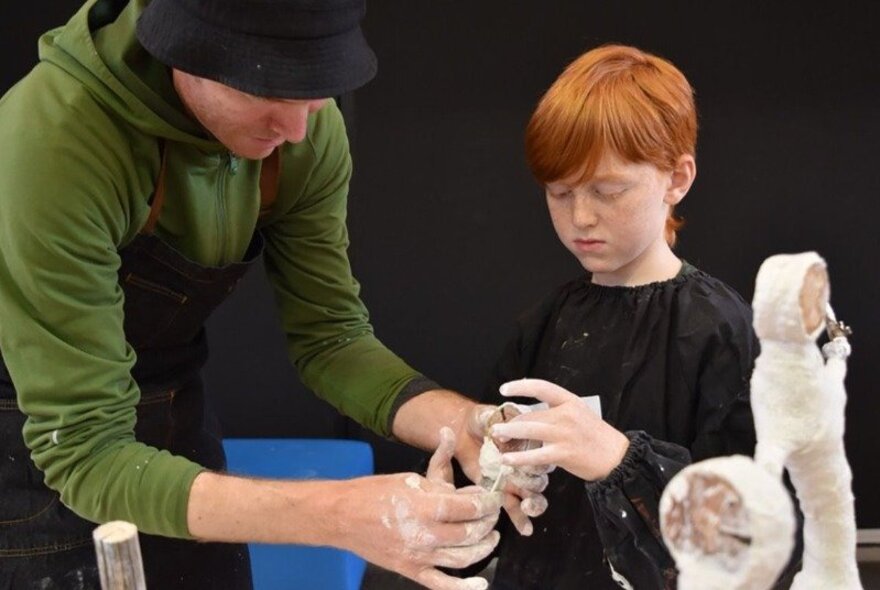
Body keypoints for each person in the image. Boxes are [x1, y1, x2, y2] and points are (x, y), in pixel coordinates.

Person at [0, 1, 546, 588]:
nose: (299, 129)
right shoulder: (53, 141)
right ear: (185, 52)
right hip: (36, 435)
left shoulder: (307, 131)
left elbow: (331, 339)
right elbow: (86, 452)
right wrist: (340, 516)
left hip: (168, 410)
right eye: (273, 91)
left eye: (316, 93)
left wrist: (461, 421)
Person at [458, 44, 788, 589]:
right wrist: (476, 499)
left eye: (608, 191)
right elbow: (497, 485)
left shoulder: (718, 331)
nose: (580, 217)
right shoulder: (546, 323)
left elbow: (754, 531)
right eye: (559, 193)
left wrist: (620, 461)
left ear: (676, 179)